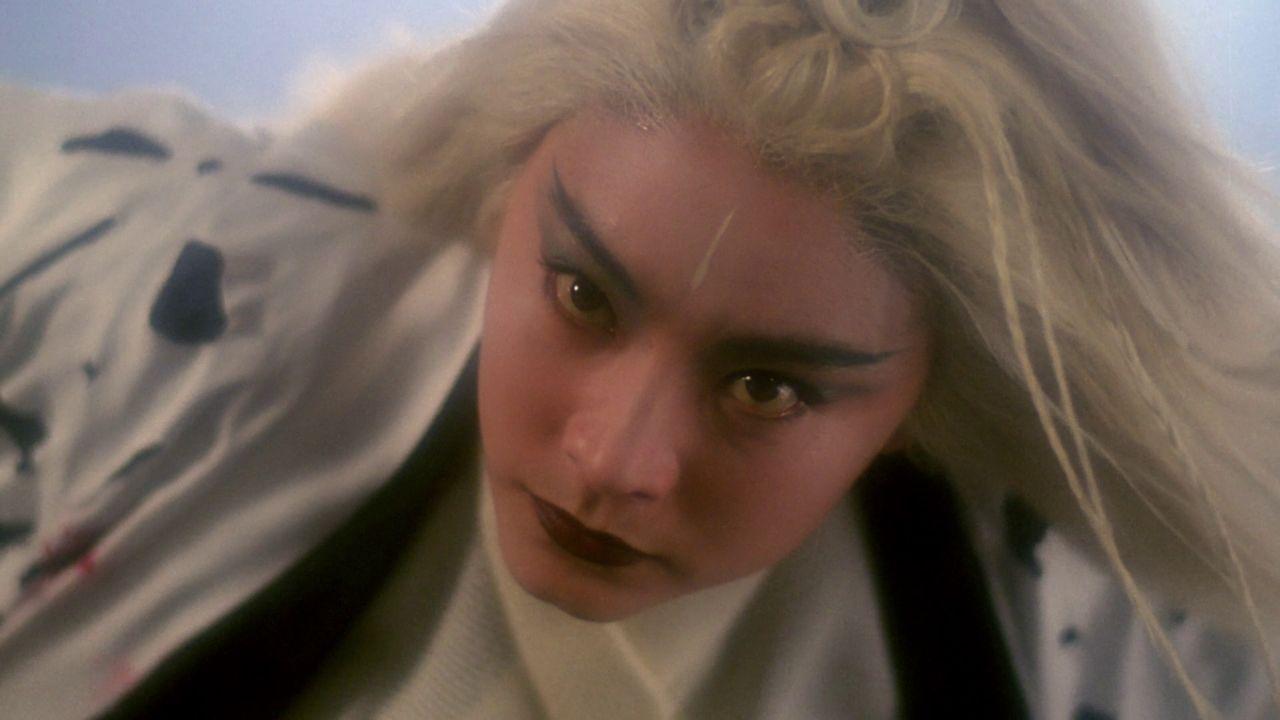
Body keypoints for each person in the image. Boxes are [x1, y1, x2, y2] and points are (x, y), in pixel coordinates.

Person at [0, 0, 1276, 717]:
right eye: (579, 295)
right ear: (506, 188)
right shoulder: (197, 289)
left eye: (768, 387)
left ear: (921, 398)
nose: (612, 460)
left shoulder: (1119, 648)